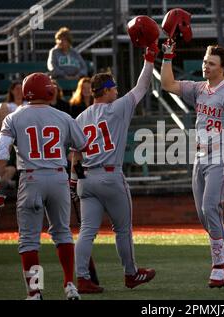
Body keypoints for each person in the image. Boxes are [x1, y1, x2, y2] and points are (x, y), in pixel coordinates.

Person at [161, 41, 224, 288]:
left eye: (211, 63)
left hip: (223, 157)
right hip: (201, 156)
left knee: (210, 207)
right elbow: (167, 84)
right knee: (205, 216)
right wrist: (168, 56)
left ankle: (219, 265)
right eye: (204, 61)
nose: (205, 66)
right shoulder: (199, 88)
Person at [0, 72, 88, 300]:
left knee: (29, 239)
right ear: (50, 91)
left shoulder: (13, 118)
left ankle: (35, 291)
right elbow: (81, 147)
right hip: (58, 177)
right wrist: (76, 176)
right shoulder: (63, 117)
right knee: (63, 233)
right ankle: (69, 285)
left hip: (31, 178)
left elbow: (1, 152)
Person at [72, 42, 159, 294]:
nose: (118, 91)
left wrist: (74, 180)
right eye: (114, 87)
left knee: (87, 231)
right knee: (122, 229)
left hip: (85, 177)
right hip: (110, 176)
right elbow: (142, 86)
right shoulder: (118, 107)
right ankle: (131, 274)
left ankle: (81, 278)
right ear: (107, 90)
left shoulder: (81, 117)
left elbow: (75, 153)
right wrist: (149, 59)